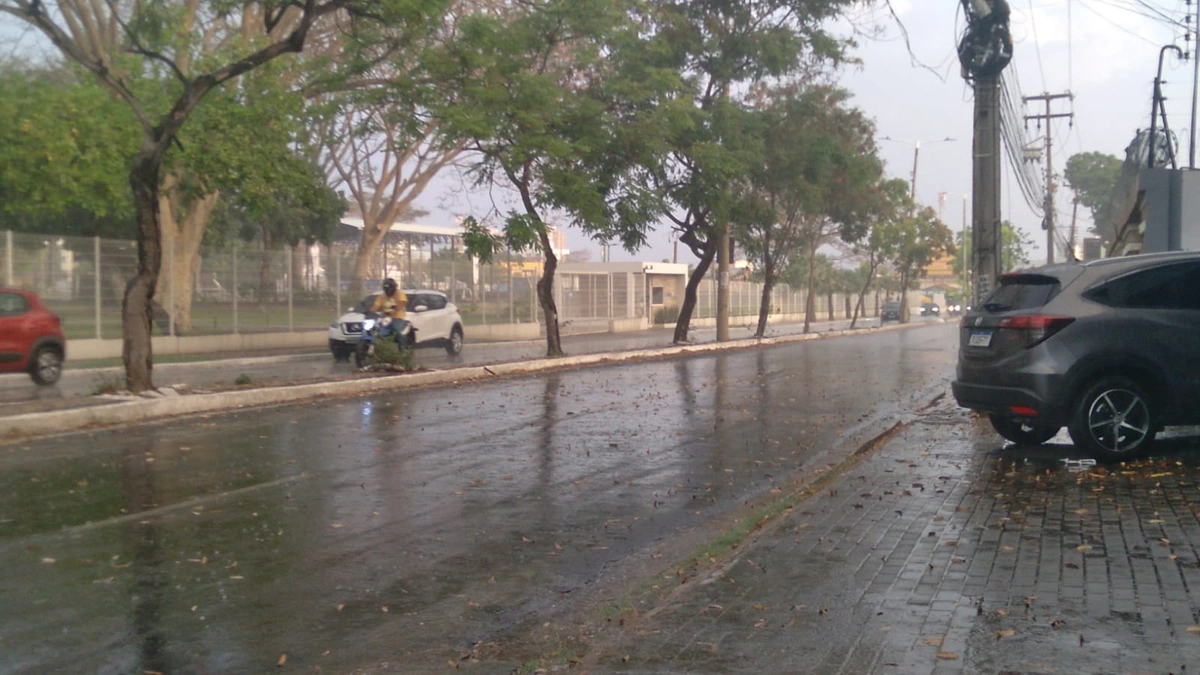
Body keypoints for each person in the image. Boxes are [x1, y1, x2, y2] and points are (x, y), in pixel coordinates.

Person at [368, 278, 410, 349]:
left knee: (397, 331)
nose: (387, 291)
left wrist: (395, 310)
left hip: (397, 317)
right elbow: (376, 306)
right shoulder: (381, 296)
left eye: (389, 289)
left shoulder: (400, 294)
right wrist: (368, 311)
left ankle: (403, 349)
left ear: (394, 287)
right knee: (377, 331)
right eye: (386, 289)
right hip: (385, 318)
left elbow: (401, 303)